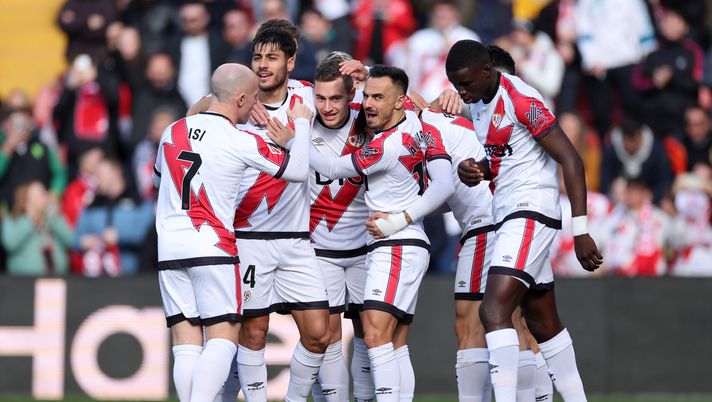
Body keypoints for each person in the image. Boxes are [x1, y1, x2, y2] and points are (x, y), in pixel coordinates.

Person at [446, 39, 602, 402]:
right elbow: (509, 158)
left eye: (466, 83)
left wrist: (581, 230)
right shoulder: (481, 102)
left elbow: (572, 159)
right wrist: (478, 170)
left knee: (493, 309)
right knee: (542, 321)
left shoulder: (521, 100)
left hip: (530, 210)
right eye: (456, 84)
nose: (461, 92)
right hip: (510, 214)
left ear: (487, 72)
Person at [153, 63, 312, 402]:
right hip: (212, 244)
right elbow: (298, 170)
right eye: (252, 98)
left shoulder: (171, 132)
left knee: (185, 341)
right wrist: (300, 123)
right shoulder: (237, 140)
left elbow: (158, 179)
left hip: (169, 246)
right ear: (240, 98)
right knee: (223, 337)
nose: (254, 105)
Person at [309, 65, 455, 402]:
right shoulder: (424, 128)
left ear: (400, 102)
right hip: (409, 243)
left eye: (378, 97)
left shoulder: (384, 146)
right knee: (394, 342)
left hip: (397, 245)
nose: (369, 104)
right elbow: (444, 182)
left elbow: (332, 168)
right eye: (366, 96)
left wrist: (295, 141)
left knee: (373, 335)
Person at [231, 27, 330, 402]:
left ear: (290, 62)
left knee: (319, 334)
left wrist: (356, 67)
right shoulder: (237, 103)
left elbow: (363, 95)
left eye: (271, 58)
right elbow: (196, 113)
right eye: (257, 57)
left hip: (296, 239)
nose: (262, 65)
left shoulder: (307, 97)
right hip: (250, 238)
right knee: (254, 332)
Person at [308, 52, 370, 402]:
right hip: (320, 248)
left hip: (365, 247)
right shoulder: (300, 118)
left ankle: (363, 397)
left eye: (335, 98)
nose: (327, 107)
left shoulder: (370, 119)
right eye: (321, 98)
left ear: (351, 94)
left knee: (368, 330)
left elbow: (409, 103)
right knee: (326, 332)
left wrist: (370, 73)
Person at [73, 158, 154, 276]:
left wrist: (119, 236)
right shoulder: (92, 206)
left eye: (100, 174)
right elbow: (75, 238)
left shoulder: (139, 203)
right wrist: (83, 242)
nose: (96, 180)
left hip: (132, 277)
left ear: (116, 173)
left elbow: (149, 234)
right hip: (96, 278)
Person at [1, 181, 73, 276]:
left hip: (57, 280)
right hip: (23, 283)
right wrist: (31, 220)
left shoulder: (52, 218)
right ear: (26, 201)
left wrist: (54, 217)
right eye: (41, 194)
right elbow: (10, 243)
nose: (47, 196)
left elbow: (71, 241)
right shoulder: (13, 220)